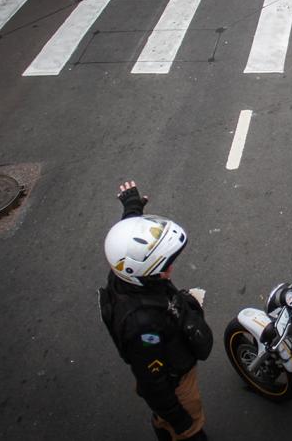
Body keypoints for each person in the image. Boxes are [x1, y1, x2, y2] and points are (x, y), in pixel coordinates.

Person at [99, 181, 213, 441]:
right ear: (139, 273)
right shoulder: (142, 327)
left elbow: (129, 245)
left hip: (169, 360)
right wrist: (179, 419)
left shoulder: (123, 276)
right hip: (176, 386)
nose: (169, 270)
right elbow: (153, 383)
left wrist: (132, 209)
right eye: (162, 267)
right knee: (189, 431)